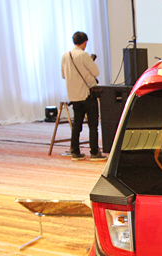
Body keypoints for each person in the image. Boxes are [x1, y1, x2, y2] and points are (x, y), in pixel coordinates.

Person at [61, 31, 103, 161]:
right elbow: (96, 72)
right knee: (93, 125)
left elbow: (63, 75)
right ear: (85, 42)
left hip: (74, 95)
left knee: (76, 125)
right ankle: (94, 152)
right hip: (87, 94)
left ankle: (75, 151)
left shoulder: (66, 55)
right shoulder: (84, 55)